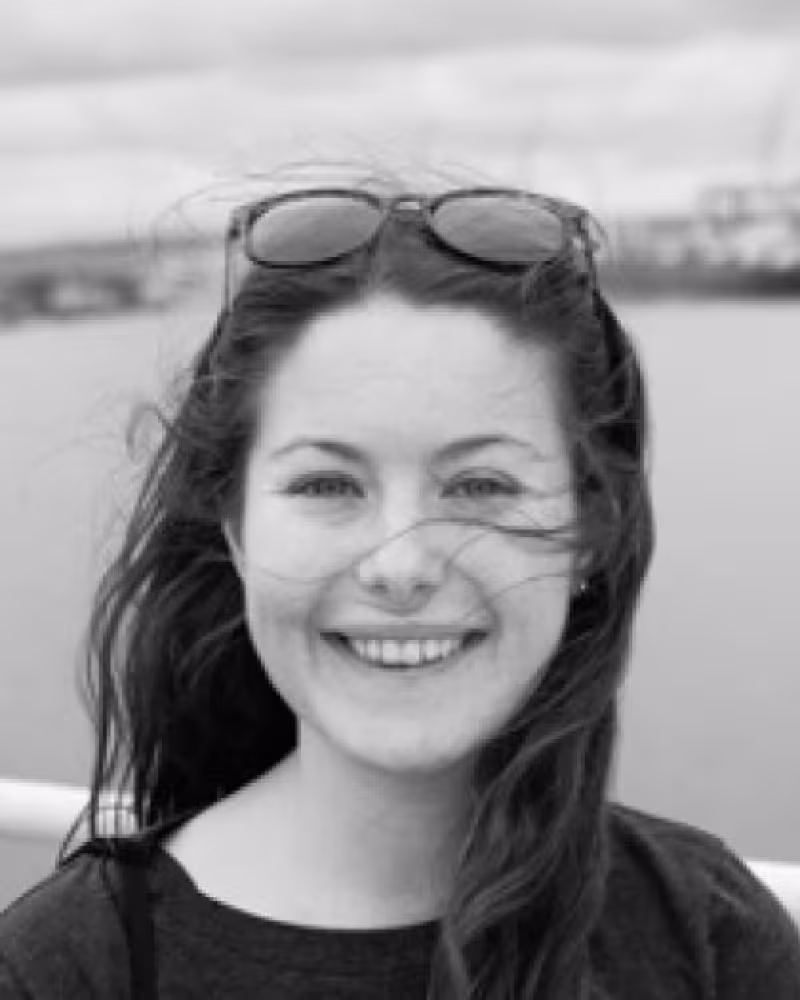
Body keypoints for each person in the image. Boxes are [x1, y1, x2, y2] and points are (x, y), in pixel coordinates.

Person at [1, 171, 799, 1000]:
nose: (401, 565)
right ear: (234, 529)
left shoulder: (708, 933)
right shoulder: (69, 968)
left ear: (592, 529)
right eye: (325, 486)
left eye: (481, 486)